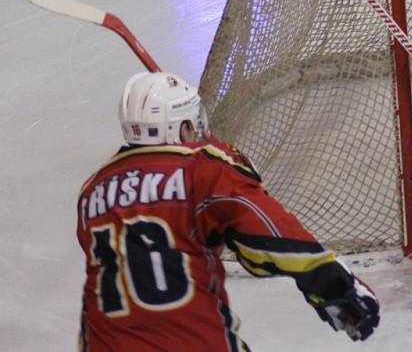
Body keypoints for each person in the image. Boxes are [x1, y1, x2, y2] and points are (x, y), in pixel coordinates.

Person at [76, 72, 379, 350]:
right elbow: (265, 238)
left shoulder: (92, 190)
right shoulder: (202, 170)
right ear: (181, 128)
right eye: (192, 125)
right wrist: (333, 285)